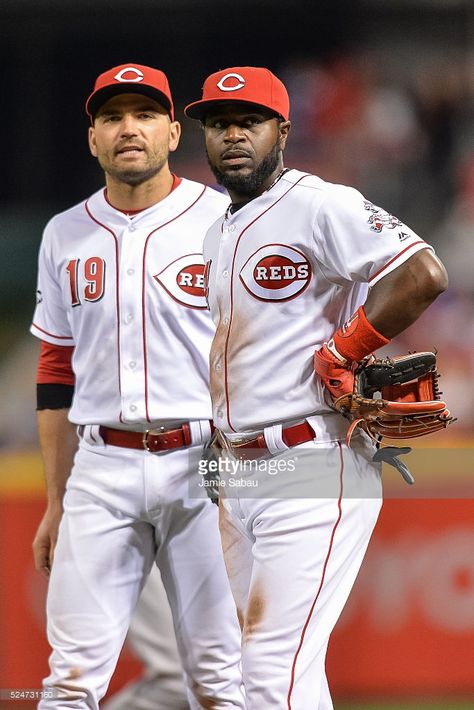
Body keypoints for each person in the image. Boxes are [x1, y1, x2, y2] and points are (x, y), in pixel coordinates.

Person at [184, 66, 448, 708]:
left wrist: (344, 348)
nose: (233, 135)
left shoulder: (320, 203)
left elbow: (422, 273)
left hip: (311, 457)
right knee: (254, 676)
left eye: (250, 121)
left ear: (284, 130)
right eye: (219, 124)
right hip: (238, 470)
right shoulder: (218, 230)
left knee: (272, 669)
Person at [30, 62, 244, 710]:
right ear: (92, 137)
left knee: (221, 681)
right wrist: (55, 499)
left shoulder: (225, 220)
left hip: (204, 464)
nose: (130, 128)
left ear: (173, 132)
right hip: (101, 465)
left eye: (146, 114)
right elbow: (54, 371)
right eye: (113, 116)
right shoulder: (64, 232)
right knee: (69, 682)